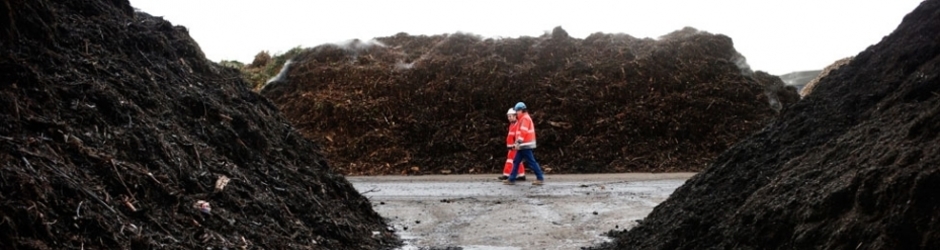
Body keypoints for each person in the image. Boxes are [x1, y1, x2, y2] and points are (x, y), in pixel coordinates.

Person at [504, 102, 545, 186]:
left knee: (531, 162)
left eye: (517, 111)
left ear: (522, 110)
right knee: (516, 161)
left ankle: (540, 178)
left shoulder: (525, 118)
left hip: (525, 144)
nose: (516, 113)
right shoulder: (522, 118)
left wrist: (518, 142)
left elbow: (523, 132)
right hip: (523, 145)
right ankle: (511, 179)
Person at [499, 108, 526, 181]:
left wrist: (515, 145)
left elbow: (517, 136)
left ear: (515, 116)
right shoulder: (512, 125)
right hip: (512, 147)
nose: (509, 118)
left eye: (510, 116)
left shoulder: (517, 125)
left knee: (512, 160)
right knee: (515, 160)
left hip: (514, 146)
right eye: (508, 116)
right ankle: (520, 175)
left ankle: (507, 174)